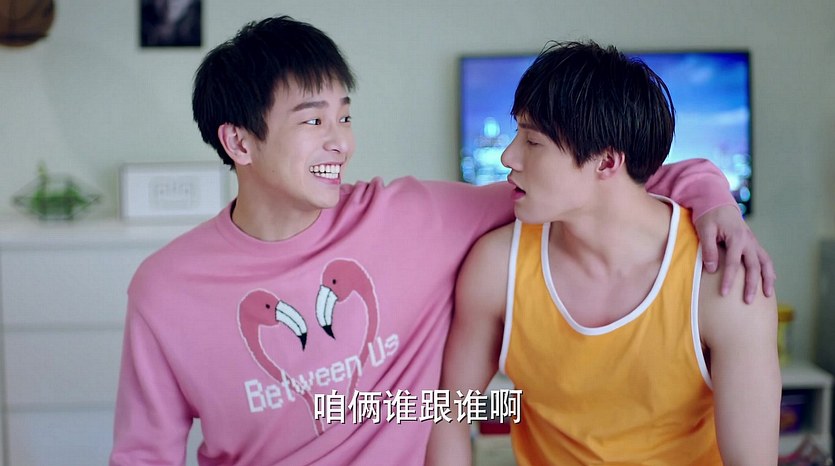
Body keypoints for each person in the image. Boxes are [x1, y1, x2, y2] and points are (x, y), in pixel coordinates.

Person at [109, 16, 775, 465]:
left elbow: (609, 182)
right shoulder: (167, 288)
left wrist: (713, 197)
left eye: (345, 116)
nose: (341, 142)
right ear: (238, 140)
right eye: (313, 121)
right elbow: (143, 453)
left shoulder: (413, 216)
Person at [425, 41, 781, 465]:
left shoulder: (722, 280)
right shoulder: (496, 266)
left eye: (532, 141)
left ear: (607, 163)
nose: (508, 156)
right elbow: (447, 415)